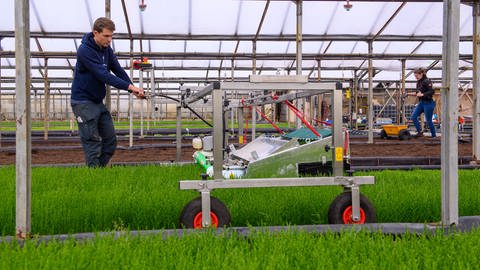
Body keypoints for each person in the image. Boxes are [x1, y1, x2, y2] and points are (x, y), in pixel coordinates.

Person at [71, 17, 145, 167]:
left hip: (97, 102)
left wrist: (133, 89)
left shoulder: (106, 50)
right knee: (92, 142)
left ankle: (100, 171)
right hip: (83, 102)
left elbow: (117, 70)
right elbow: (103, 75)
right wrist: (130, 88)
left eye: (111, 36)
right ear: (95, 33)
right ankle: (94, 176)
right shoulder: (84, 50)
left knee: (110, 140)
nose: (109, 39)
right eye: (106, 36)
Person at [410, 67, 436, 138]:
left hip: (429, 103)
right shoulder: (418, 82)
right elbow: (417, 92)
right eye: (415, 76)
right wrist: (408, 94)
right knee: (413, 117)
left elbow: (432, 91)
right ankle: (420, 132)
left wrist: (423, 94)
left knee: (428, 121)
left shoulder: (427, 81)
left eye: (416, 76)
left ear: (421, 74)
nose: (416, 77)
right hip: (421, 103)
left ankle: (434, 136)